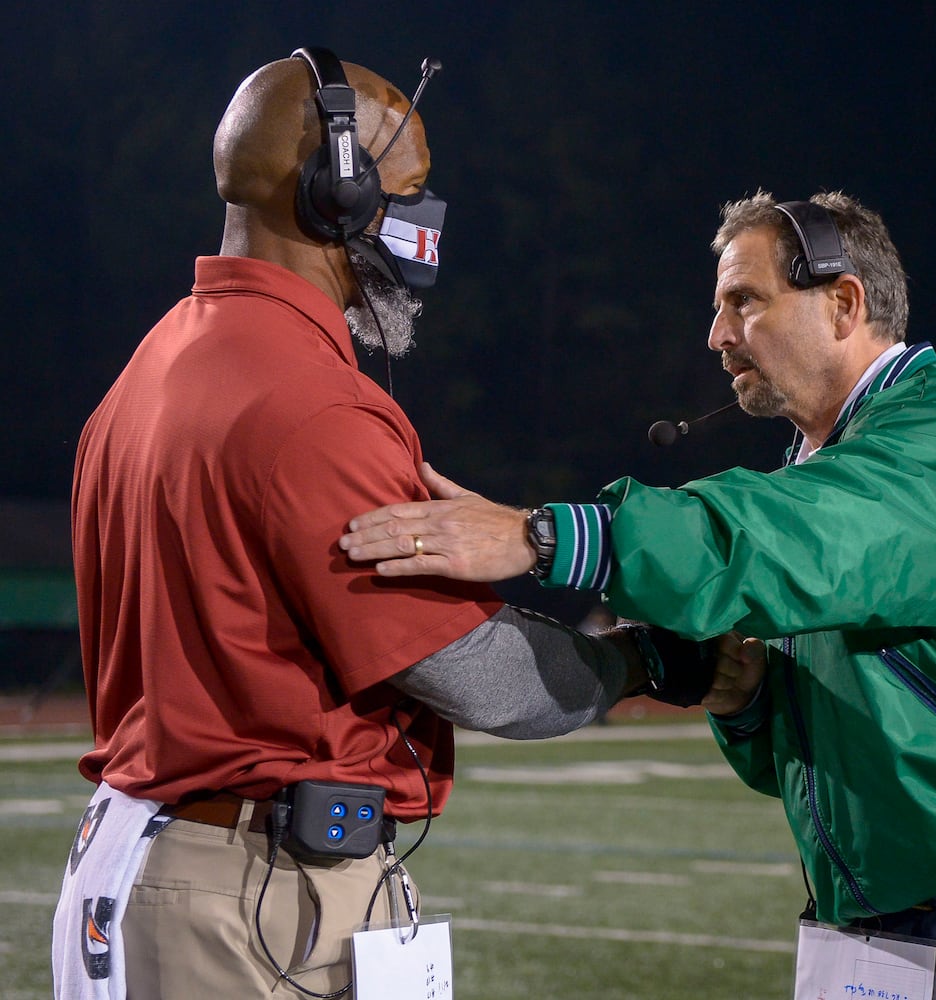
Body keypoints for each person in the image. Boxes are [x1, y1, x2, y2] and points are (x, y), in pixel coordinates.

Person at [339, 190, 936, 998]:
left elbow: (784, 536)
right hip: (908, 922)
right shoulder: (828, 470)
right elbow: (833, 753)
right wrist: (749, 706)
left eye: (744, 302)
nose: (716, 335)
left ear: (845, 304)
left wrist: (543, 533)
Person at [52, 47, 713, 1000]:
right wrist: (649, 662)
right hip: (250, 891)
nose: (425, 220)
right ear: (335, 194)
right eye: (410, 190)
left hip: (144, 859)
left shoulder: (150, 366)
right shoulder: (313, 405)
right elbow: (484, 683)